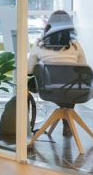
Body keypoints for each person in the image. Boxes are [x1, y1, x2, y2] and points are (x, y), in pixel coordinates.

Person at [27, 10, 87, 138]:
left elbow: (29, 70)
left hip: (47, 89)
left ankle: (25, 124)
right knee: (70, 82)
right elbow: (83, 67)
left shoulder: (39, 44)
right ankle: (67, 120)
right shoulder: (75, 45)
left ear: (49, 25)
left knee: (32, 83)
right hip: (72, 90)